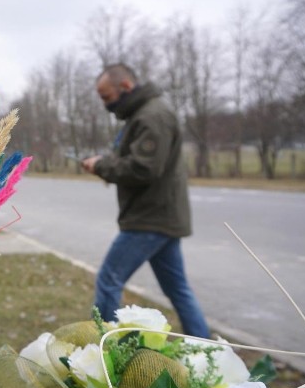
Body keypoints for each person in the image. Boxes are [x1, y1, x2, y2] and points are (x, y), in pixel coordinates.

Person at [81, 64, 210, 338]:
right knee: (177, 289)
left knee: (108, 280)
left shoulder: (153, 116)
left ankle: (105, 347)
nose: (106, 105)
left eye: (107, 97)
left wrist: (102, 165)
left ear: (126, 87)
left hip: (151, 218)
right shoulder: (143, 115)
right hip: (160, 215)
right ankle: (205, 346)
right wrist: (106, 163)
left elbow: (144, 168)